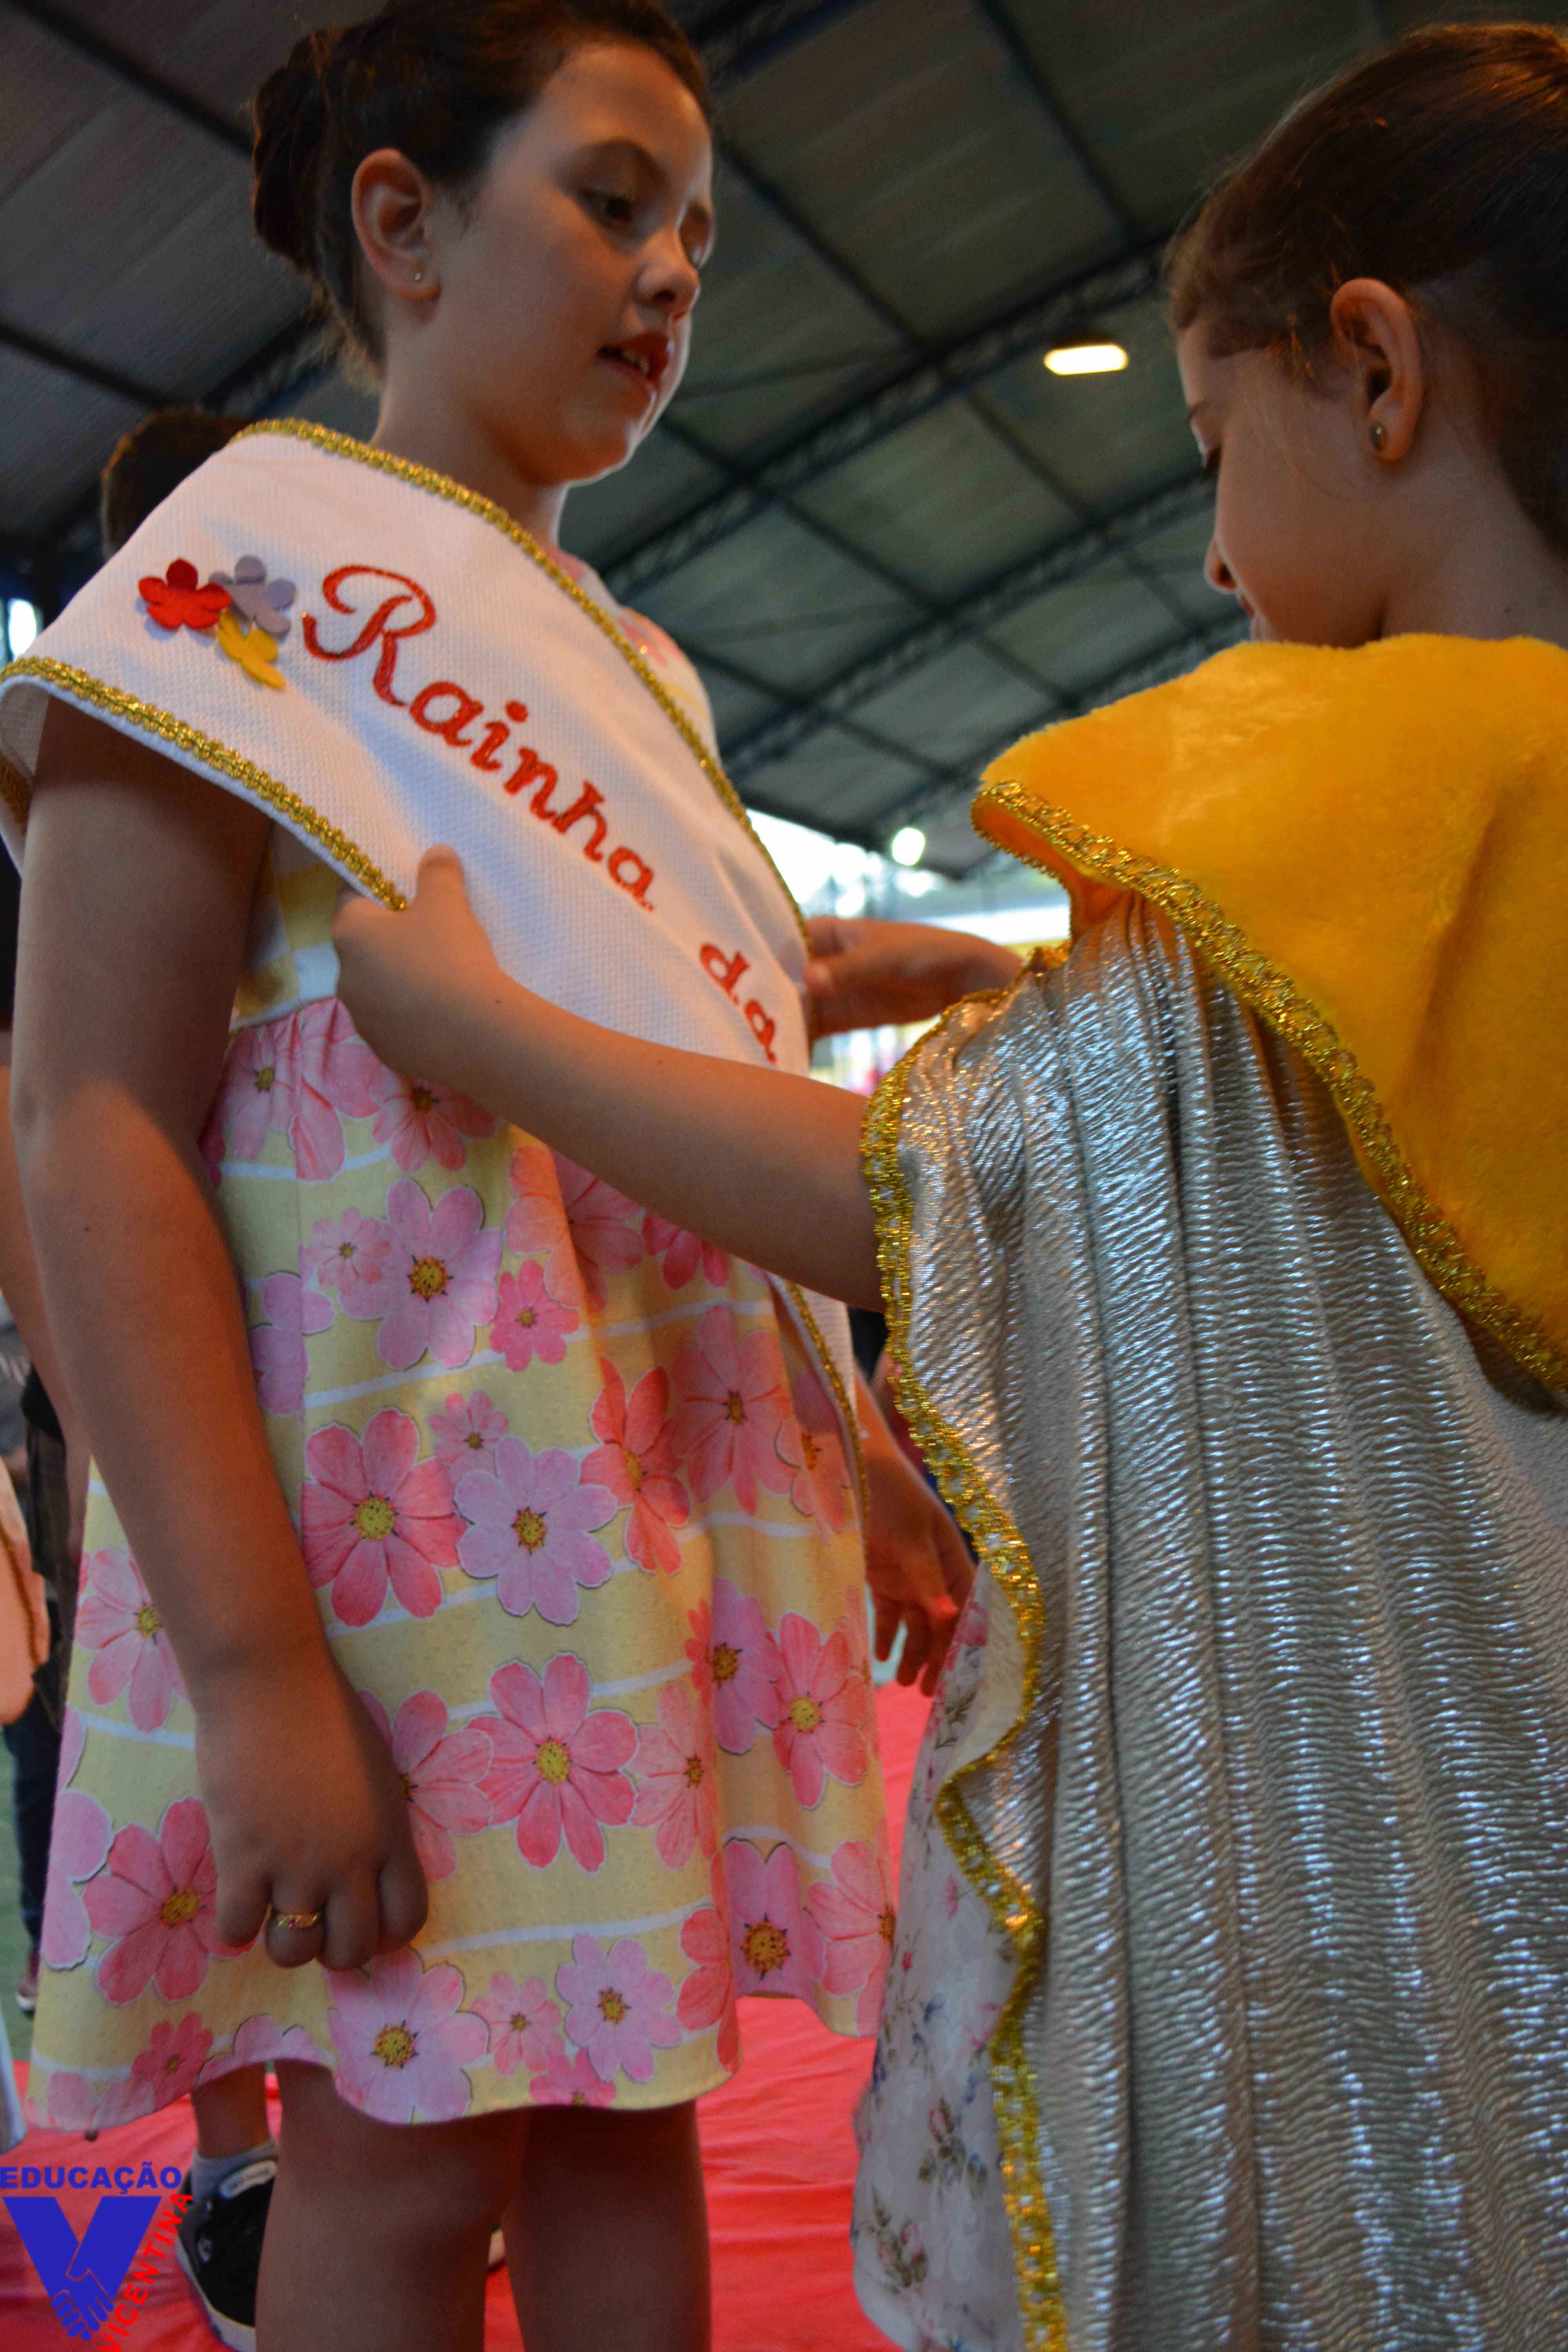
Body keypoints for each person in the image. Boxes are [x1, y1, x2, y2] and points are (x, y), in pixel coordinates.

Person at [327, 23, 1568, 2349]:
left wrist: (480, 1030)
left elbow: (929, 1191)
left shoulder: (1320, 821)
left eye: (1214, 443)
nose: (1211, 543)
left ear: (1377, 374)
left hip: (1351, 1966)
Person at [0, 7, 963, 2351]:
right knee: (410, 2158)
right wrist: (252, 1672)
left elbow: (680, 1107)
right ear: (404, 224)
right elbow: (87, 1121)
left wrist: (855, 1455)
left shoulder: (643, 678)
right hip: (375, 1552)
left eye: (699, 232)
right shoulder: (234, 593)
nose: (674, 271)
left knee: (637, 2116)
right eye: (614, 200)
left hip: (639, 1528)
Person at [0, 407, 277, 2348]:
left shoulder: (312, 732)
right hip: (134, 1352)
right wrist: (105, 1435)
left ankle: (340, 2135)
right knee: (178, 1754)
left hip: (324, 1335)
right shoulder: (77, 748)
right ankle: (241, 2169)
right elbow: (33, 1115)